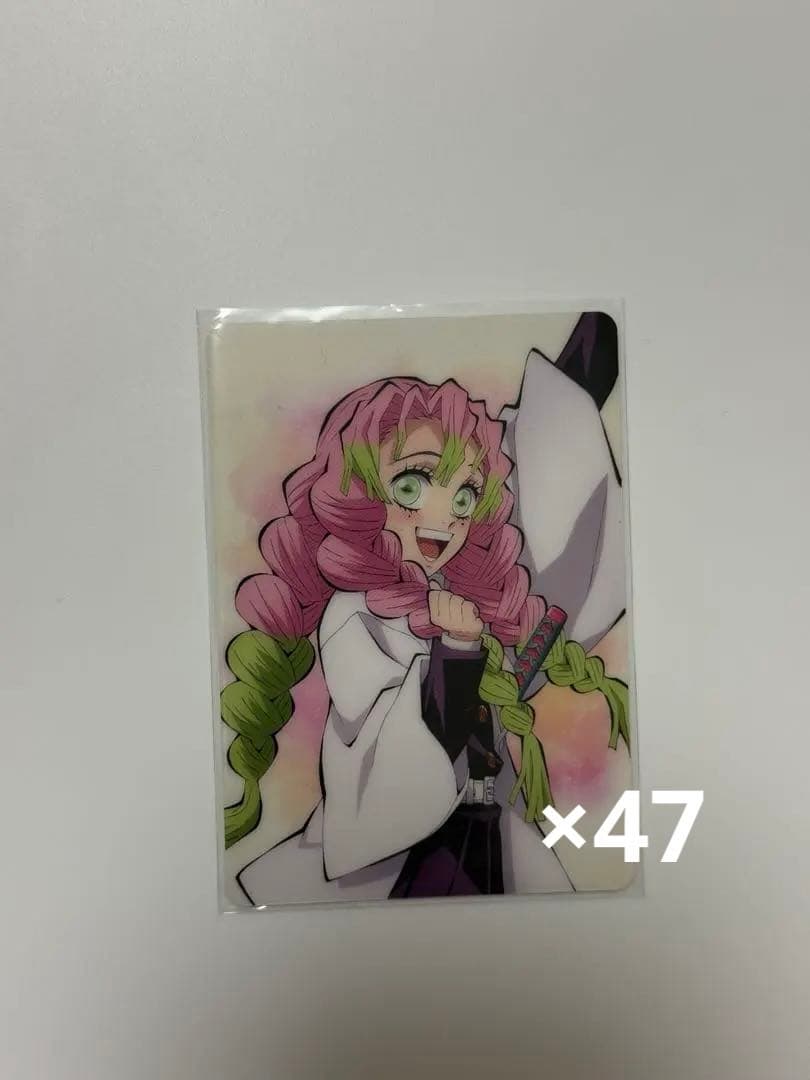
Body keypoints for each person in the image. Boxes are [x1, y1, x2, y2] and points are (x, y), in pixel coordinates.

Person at [222, 344, 628, 905]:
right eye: (411, 486)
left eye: (464, 496)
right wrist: (457, 653)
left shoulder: (456, 599)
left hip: (487, 834)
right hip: (411, 847)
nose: (445, 517)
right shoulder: (357, 613)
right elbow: (394, 744)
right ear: (360, 494)